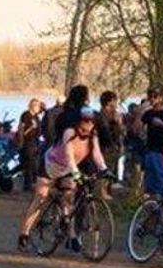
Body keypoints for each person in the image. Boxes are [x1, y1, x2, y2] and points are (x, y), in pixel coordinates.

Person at [19, 106, 108, 251]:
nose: (88, 125)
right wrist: (76, 174)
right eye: (85, 121)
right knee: (41, 198)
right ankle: (24, 233)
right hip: (50, 166)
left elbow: (96, 154)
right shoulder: (69, 133)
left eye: (91, 122)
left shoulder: (93, 136)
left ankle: (72, 236)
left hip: (67, 170)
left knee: (69, 200)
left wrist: (104, 169)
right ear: (79, 121)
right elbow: (69, 156)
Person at [140, 88, 163, 199]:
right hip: (150, 147)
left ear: (161, 98)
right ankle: (151, 197)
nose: (152, 99)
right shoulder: (149, 113)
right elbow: (142, 120)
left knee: (161, 175)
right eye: (150, 97)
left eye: (155, 97)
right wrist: (151, 119)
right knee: (150, 175)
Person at [17, 98, 44, 191]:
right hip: (28, 142)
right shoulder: (26, 115)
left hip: (36, 141)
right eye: (38, 106)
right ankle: (27, 185)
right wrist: (21, 141)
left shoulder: (36, 117)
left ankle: (34, 183)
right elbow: (21, 129)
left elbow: (39, 130)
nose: (39, 108)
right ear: (33, 106)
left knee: (36, 163)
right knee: (28, 163)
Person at [97, 91, 124, 183]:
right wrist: (118, 123)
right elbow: (118, 132)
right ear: (110, 102)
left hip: (109, 148)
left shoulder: (100, 114)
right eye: (115, 101)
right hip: (107, 148)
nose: (116, 104)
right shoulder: (107, 115)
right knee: (106, 174)